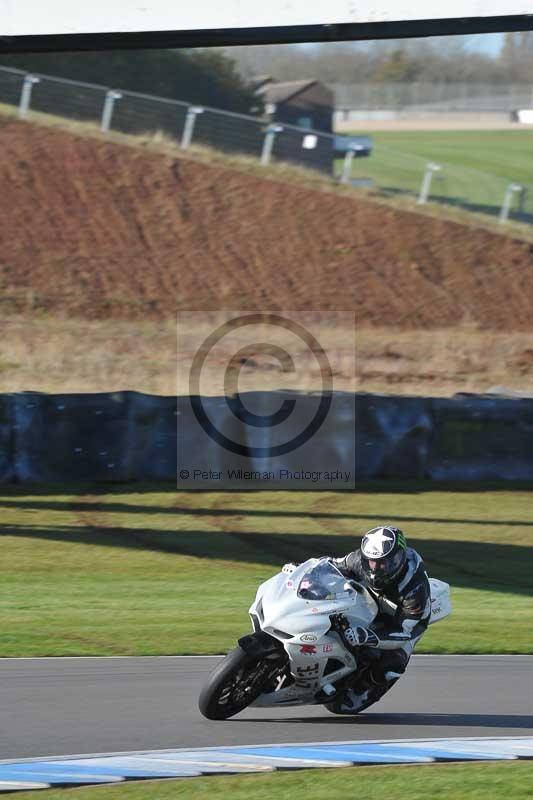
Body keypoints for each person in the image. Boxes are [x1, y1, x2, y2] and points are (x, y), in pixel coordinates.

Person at [331, 525, 431, 699]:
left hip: (404, 621)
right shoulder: (359, 560)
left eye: (383, 563)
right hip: (372, 599)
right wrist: (302, 569)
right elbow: (332, 564)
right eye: (372, 561)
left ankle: (363, 687)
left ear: (398, 560)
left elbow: (403, 633)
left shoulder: (414, 588)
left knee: (392, 664)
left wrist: (368, 636)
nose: (376, 568)